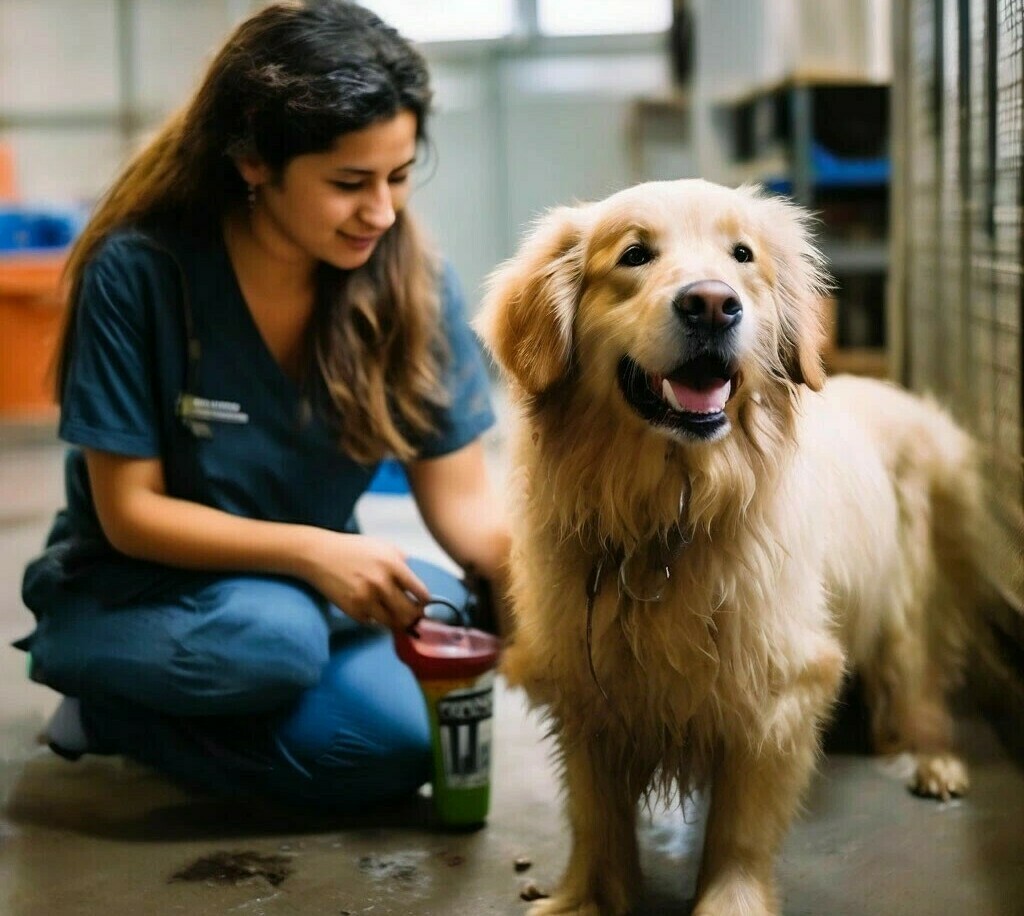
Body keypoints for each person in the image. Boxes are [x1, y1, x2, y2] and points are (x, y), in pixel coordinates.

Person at [15, 0, 510, 813]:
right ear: (252, 161)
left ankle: (226, 714)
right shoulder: (141, 271)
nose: (381, 213)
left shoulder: (412, 283)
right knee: (271, 642)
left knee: (446, 633)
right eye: (349, 183)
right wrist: (317, 553)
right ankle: (106, 702)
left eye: (398, 177)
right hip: (143, 584)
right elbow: (131, 512)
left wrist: (557, 587)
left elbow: (466, 513)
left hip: (301, 592)